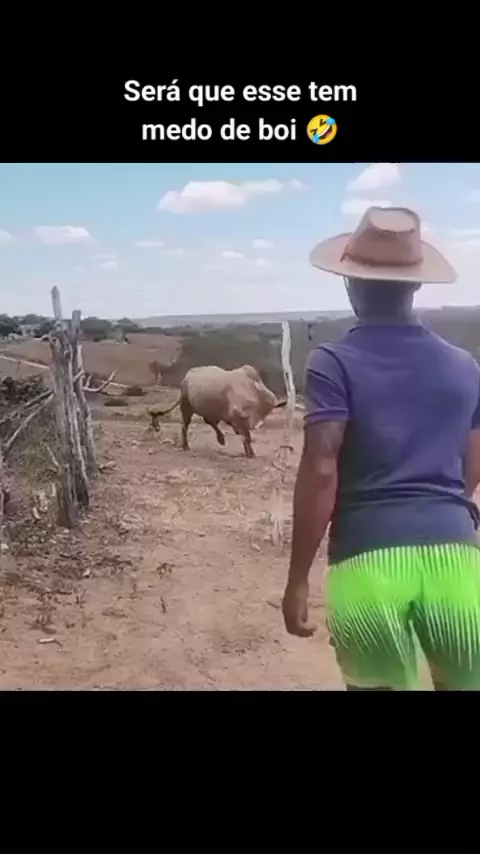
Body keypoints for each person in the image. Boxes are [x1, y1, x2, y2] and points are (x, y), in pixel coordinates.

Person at [281, 206, 480, 691]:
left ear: (349, 283)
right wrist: (444, 509)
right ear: (416, 284)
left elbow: (322, 469)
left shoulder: (333, 362)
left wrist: (298, 578)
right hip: (459, 565)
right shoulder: (465, 365)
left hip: (367, 565)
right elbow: (474, 459)